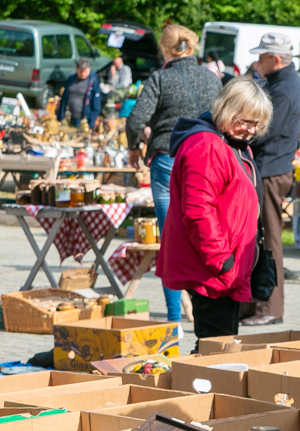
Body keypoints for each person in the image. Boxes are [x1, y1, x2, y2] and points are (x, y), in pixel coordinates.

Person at [158, 76, 273, 351]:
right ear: (227, 110)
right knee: (216, 349)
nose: (250, 130)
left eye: (256, 125)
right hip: (211, 269)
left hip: (223, 267)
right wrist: (223, 261)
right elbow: (198, 211)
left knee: (219, 344)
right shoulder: (207, 146)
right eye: (245, 121)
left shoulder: (231, 143)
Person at [127, 24, 222, 329]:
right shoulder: (212, 79)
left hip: (168, 158)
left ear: (165, 51)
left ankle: (173, 319)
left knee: (172, 241)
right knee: (204, 234)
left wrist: (133, 147)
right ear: (192, 48)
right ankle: (206, 309)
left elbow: (136, 119)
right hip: (206, 161)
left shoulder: (160, 78)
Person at [240, 33, 300, 326]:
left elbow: (268, 130)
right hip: (269, 168)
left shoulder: (285, 88)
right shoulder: (282, 84)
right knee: (261, 238)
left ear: (276, 59)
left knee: (269, 240)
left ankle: (269, 307)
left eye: (263, 57)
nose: (259, 62)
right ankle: (259, 302)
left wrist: (239, 134)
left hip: (270, 170)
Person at [57, 59, 101, 128]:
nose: (83, 74)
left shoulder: (93, 81)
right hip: (68, 116)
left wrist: (90, 124)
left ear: (89, 69)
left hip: (83, 119)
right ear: (76, 69)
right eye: (80, 71)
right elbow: (64, 98)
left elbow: (96, 105)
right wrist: (60, 116)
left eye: (85, 71)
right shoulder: (71, 79)